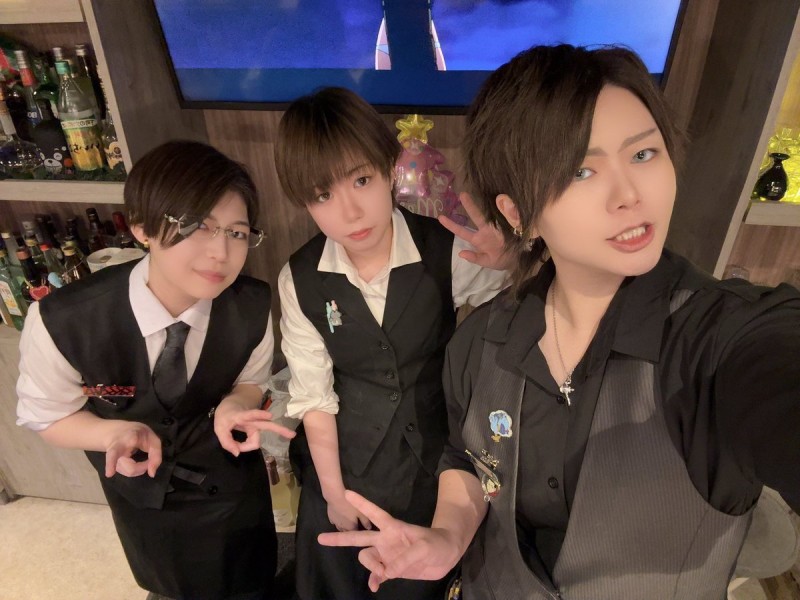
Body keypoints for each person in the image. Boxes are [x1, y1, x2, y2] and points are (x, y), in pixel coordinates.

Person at [318, 45, 800, 599]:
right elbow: (467, 459)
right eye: (581, 170)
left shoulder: (720, 337)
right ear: (518, 214)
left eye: (644, 154)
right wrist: (449, 536)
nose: (629, 195)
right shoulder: (480, 341)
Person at [16, 140, 295, 600]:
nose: (220, 252)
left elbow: (251, 378)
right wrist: (111, 433)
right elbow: (47, 415)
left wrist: (236, 404)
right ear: (141, 226)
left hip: (230, 490)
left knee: (250, 578)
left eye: (237, 233)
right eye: (197, 226)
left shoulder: (251, 304)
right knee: (170, 585)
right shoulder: (64, 320)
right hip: (141, 497)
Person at [273, 87, 509, 600]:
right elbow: (313, 396)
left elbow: (516, 305)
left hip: (433, 464)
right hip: (345, 464)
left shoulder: (446, 248)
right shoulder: (300, 277)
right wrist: (334, 494)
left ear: (388, 168)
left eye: (361, 180)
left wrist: (514, 262)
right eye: (322, 195)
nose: (350, 212)